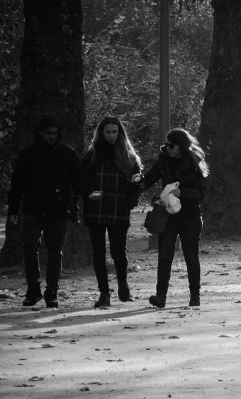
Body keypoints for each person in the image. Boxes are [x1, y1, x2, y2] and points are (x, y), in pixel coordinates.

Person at [7, 113, 83, 308]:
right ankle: (34, 289)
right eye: (48, 133)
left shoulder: (67, 154)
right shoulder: (28, 154)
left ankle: (51, 290)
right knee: (30, 249)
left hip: (57, 210)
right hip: (33, 209)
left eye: (54, 133)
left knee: (54, 252)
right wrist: (14, 208)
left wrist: (78, 201)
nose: (52, 136)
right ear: (40, 133)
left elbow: (78, 181)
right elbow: (17, 184)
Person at [140, 128, 209, 308]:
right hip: (168, 216)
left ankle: (195, 296)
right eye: (166, 145)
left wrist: (182, 193)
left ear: (181, 146)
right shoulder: (164, 161)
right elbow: (148, 179)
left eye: (171, 145)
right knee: (164, 255)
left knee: (191, 257)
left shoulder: (195, 163)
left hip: (191, 216)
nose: (167, 148)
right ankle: (160, 296)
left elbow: (202, 194)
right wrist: (137, 181)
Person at [81, 117, 143, 308]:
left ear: (120, 132)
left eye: (114, 132)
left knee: (118, 252)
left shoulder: (129, 157)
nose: (111, 136)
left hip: (119, 208)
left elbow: (136, 183)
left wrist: (130, 201)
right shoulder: (92, 155)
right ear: (101, 133)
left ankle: (123, 285)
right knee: (98, 252)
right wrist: (89, 193)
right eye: (107, 132)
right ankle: (104, 292)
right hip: (96, 209)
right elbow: (82, 179)